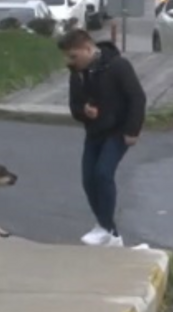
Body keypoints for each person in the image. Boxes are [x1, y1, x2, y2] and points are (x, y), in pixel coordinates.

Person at [58, 29, 146, 247]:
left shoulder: (117, 66)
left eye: (74, 56)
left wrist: (132, 131)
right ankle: (112, 235)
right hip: (94, 132)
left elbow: (137, 98)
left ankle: (105, 228)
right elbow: (74, 106)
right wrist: (83, 111)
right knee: (88, 180)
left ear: (88, 49)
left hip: (118, 130)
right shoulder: (77, 73)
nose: (71, 62)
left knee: (103, 173)